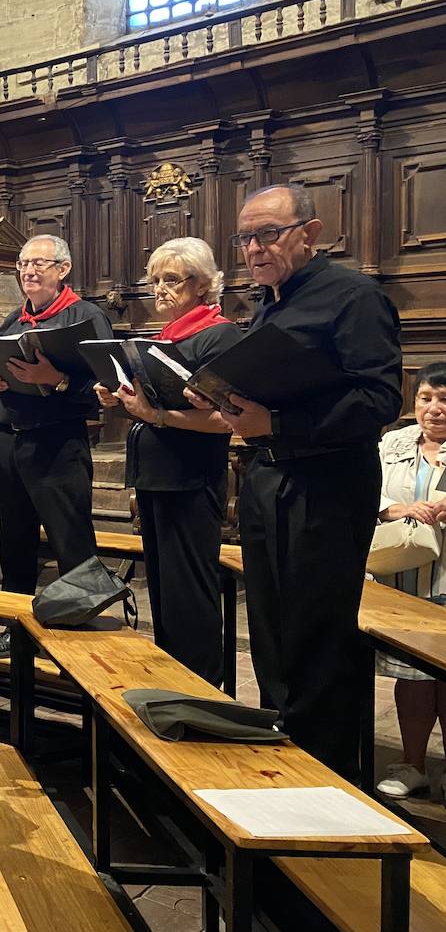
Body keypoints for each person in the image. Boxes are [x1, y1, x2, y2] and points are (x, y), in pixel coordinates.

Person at [203, 184, 401, 779]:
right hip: (269, 478)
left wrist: (280, 422)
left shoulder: (354, 297)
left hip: (327, 488)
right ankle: (285, 761)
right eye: (245, 238)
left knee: (317, 640)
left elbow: (380, 398)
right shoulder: (272, 301)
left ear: (309, 233)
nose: (254, 248)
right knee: (270, 633)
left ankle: (328, 783)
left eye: (268, 234)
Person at [94, 238, 240, 686]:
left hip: (192, 480)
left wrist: (153, 413)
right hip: (158, 478)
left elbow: (222, 421)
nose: (159, 289)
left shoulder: (220, 335)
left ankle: (200, 692)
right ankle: (172, 686)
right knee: (163, 593)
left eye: (171, 280)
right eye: (154, 280)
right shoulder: (166, 338)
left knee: (190, 595)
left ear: (201, 285)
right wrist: (119, 398)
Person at [0, 236, 113, 657]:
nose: (29, 271)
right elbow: (1, 375)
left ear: (64, 269)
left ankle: (81, 638)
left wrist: (55, 381)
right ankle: (15, 630)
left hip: (59, 445)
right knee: (15, 544)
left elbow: (105, 389)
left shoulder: (86, 317)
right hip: (13, 441)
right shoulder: (13, 321)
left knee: (70, 542)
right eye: (23, 264)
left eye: (39, 263)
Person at [373, 364, 446, 798]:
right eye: (425, 398)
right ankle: (412, 763)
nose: (434, 409)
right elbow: (364, 488)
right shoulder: (392, 442)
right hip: (404, 579)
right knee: (414, 675)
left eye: (444, 399)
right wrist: (393, 509)